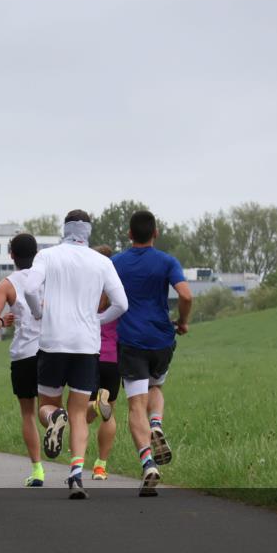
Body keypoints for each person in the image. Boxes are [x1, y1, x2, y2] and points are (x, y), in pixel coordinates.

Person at [24, 210, 127, 499]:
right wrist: (98, 320)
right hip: (86, 345)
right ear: (88, 232)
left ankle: (55, 416)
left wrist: (39, 312)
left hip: (53, 342)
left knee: (47, 405)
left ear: (65, 228)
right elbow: (121, 303)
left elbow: (31, 288)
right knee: (80, 412)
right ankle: (76, 475)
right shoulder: (102, 262)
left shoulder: (47, 256)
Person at [112, 210, 193, 496]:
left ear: (130, 234)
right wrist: (183, 322)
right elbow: (186, 295)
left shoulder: (116, 262)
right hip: (161, 339)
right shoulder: (167, 261)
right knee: (156, 385)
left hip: (131, 340)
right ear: (155, 233)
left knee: (135, 405)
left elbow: (102, 300)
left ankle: (148, 464)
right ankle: (156, 423)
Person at [0, 233, 45, 487]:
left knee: (28, 413)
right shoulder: (48, 278)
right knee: (51, 405)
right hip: (52, 350)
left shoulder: (6, 285)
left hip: (24, 354)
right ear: (37, 252)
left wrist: (2, 321)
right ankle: (55, 420)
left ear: (12, 254)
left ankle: (38, 470)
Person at [86, 245, 120, 481]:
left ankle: (76, 464)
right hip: (112, 359)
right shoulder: (117, 290)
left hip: (88, 356)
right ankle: (100, 466)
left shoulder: (86, 289)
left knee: (80, 413)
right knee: (109, 414)